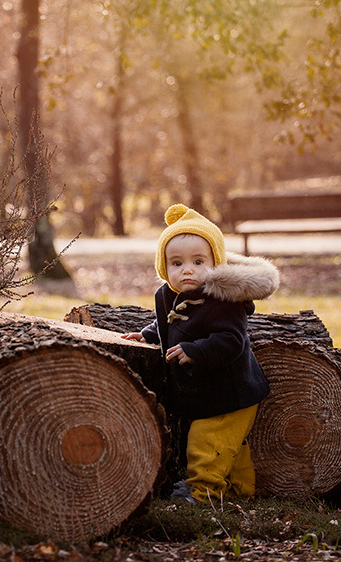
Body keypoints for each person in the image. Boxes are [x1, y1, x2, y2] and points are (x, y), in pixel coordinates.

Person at [122, 203, 279, 504]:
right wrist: (149, 333)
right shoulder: (169, 294)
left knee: (207, 441)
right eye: (177, 263)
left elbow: (232, 339)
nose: (188, 270)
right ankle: (238, 487)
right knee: (229, 445)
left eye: (198, 261)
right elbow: (169, 322)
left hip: (231, 393)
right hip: (210, 393)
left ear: (215, 262)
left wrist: (197, 350)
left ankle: (204, 491)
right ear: (163, 267)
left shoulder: (222, 299)